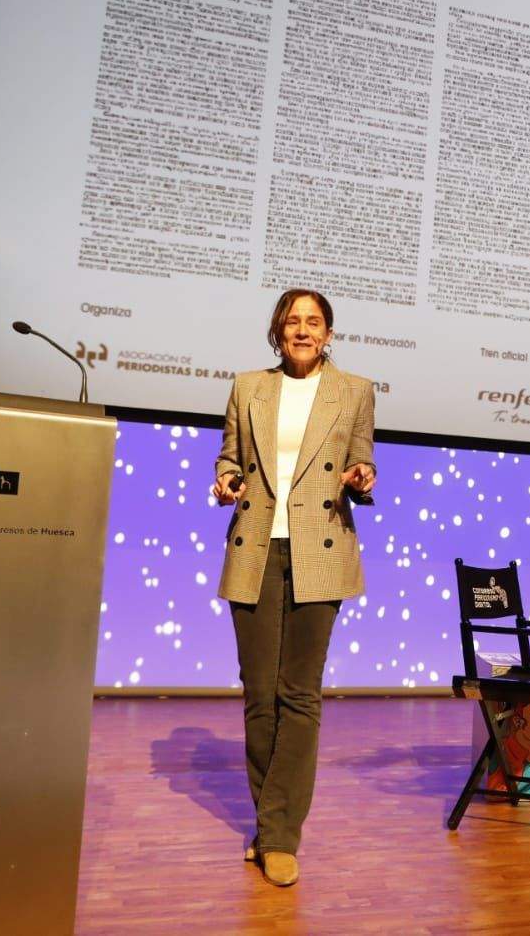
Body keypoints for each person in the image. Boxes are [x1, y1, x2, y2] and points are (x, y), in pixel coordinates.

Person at [211, 289, 377, 886]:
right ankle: (268, 823)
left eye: (313, 322)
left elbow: (363, 461)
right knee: (260, 695)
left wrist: (362, 476)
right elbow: (228, 458)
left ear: (329, 333)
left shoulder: (355, 390)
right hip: (254, 548)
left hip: (321, 550)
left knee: (299, 695)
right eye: (292, 321)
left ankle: (280, 836)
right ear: (278, 331)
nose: (302, 330)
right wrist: (226, 479)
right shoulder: (248, 386)